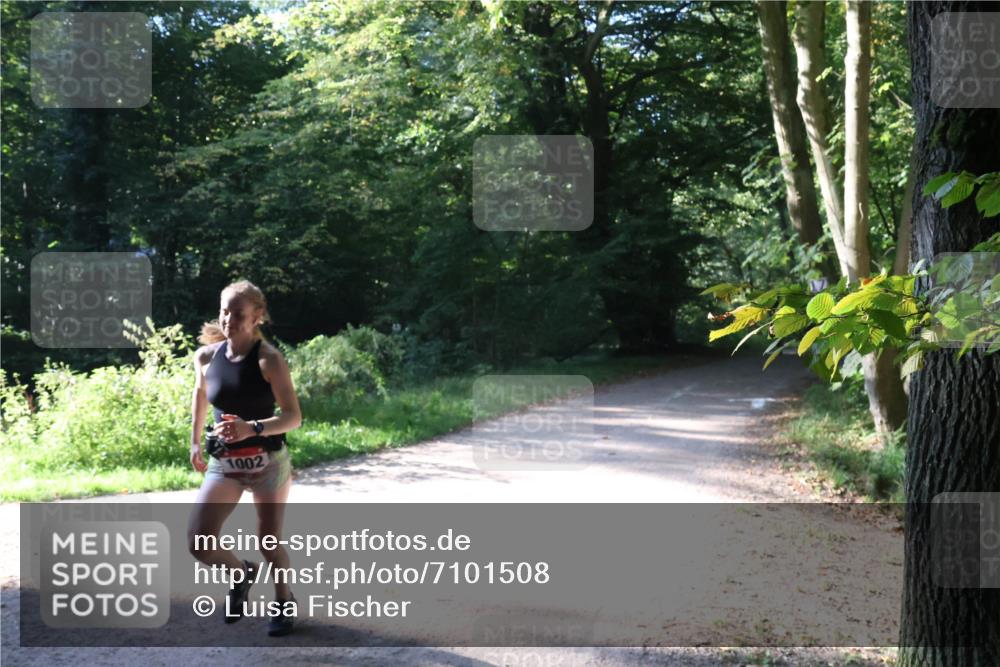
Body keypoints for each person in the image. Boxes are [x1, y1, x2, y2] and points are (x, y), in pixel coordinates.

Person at [186, 280, 302, 637]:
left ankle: (283, 601)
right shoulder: (206, 357)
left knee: (269, 540)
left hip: (268, 462)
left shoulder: (269, 359)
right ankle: (240, 573)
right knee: (199, 543)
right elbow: (200, 395)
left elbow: (293, 417)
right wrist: (194, 442)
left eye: (238, 314)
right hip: (226, 463)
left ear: (257, 317)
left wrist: (252, 428)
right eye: (225, 312)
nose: (228, 320)